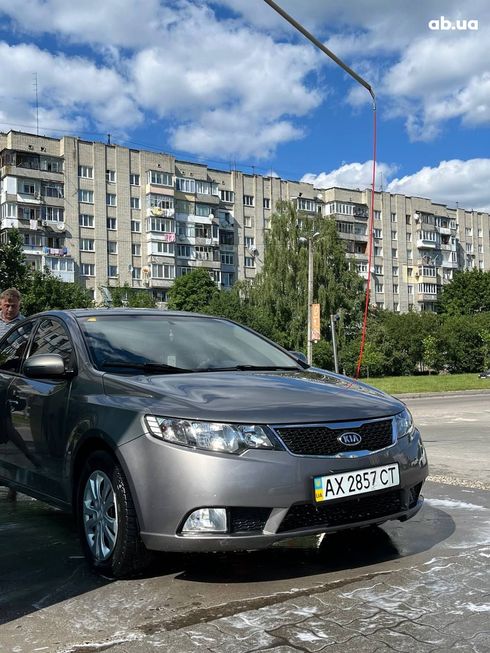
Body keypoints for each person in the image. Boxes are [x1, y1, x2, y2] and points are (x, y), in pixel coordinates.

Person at [0, 288, 25, 500]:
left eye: (13, 306)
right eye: (6, 305)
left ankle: (13, 482)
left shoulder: (24, 326)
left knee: (9, 429)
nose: (9, 309)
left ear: (19, 306)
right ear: (1, 304)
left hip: (12, 382)